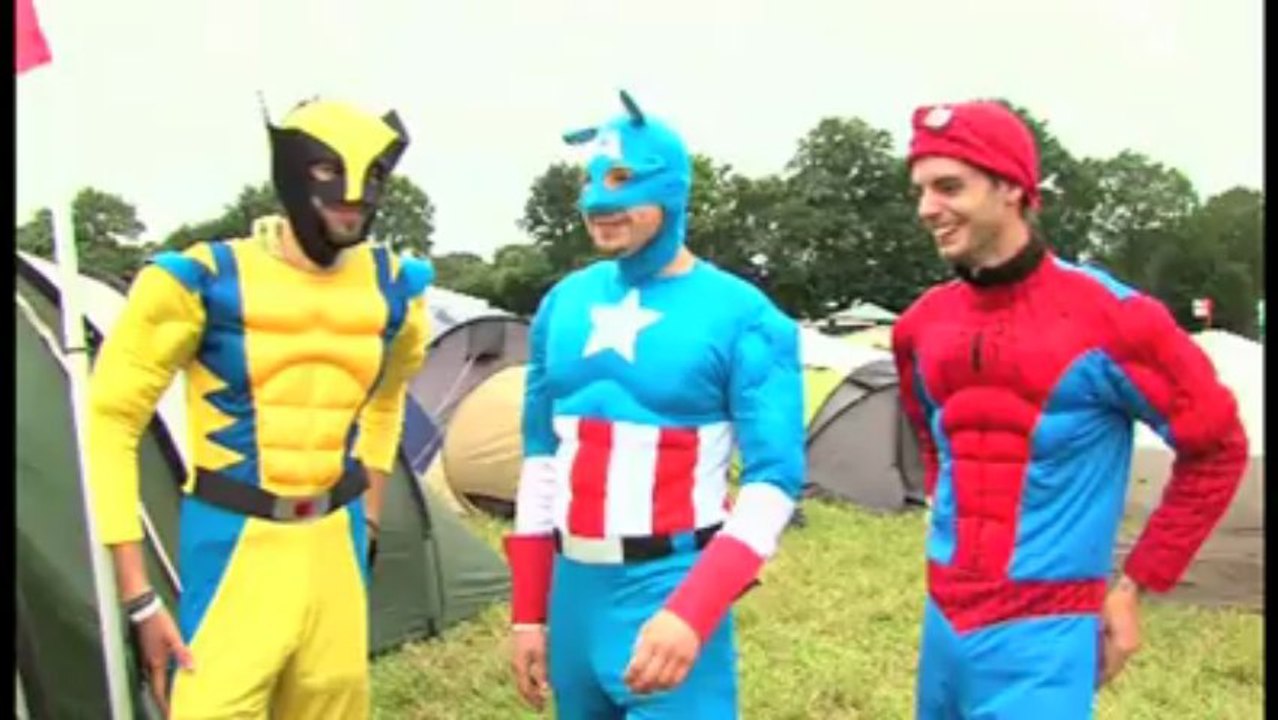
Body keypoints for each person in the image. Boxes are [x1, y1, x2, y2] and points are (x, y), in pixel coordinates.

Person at [892, 99, 1248, 719]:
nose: (927, 208)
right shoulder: (920, 327)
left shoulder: (1116, 319)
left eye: (950, 186)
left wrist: (1135, 586)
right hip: (943, 620)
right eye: (920, 189)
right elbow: (936, 443)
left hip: (1046, 631)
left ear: (1013, 189)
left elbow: (1218, 449)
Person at [86, 98, 433, 718]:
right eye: (331, 176)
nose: (353, 202)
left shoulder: (394, 288)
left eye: (371, 184)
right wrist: (137, 595)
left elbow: (389, 398)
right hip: (234, 544)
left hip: (336, 541)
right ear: (293, 172)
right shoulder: (199, 280)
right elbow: (111, 421)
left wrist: (372, 518)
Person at [503, 90, 806, 719]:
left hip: (667, 587)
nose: (596, 201)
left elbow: (775, 481)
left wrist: (694, 609)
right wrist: (528, 612)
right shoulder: (563, 303)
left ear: (670, 189)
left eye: (620, 180)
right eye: (589, 180)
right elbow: (541, 458)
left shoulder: (745, 315)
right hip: (573, 590)